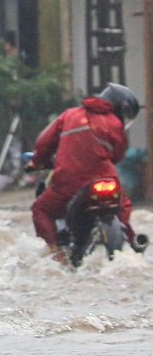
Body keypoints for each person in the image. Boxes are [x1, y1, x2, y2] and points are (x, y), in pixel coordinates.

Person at [29, 83, 141, 260]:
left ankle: (56, 253)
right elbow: (118, 154)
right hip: (106, 178)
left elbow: (43, 143)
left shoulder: (69, 115)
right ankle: (130, 239)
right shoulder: (114, 123)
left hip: (68, 182)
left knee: (40, 209)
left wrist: (36, 162)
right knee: (123, 203)